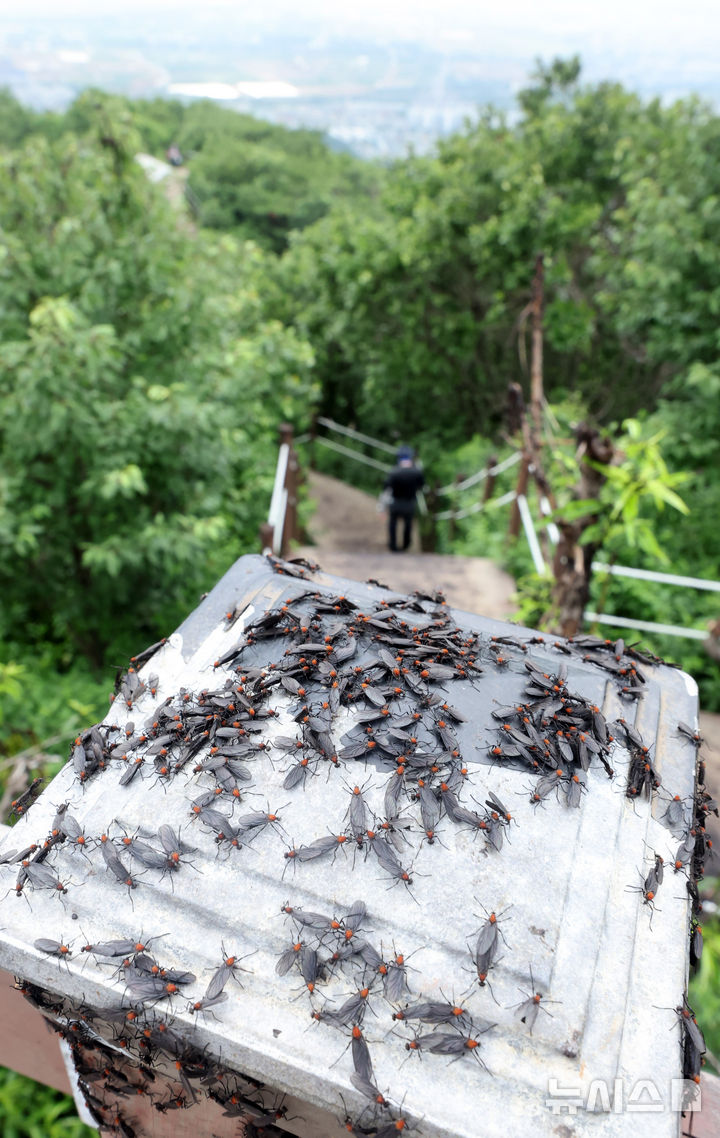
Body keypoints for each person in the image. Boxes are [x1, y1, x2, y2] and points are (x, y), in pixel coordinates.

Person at [382, 446, 425, 552]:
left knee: (392, 523)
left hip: (396, 502)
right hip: (409, 502)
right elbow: (421, 486)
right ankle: (405, 546)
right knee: (408, 524)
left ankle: (393, 546)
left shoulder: (394, 472)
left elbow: (386, 487)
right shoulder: (417, 472)